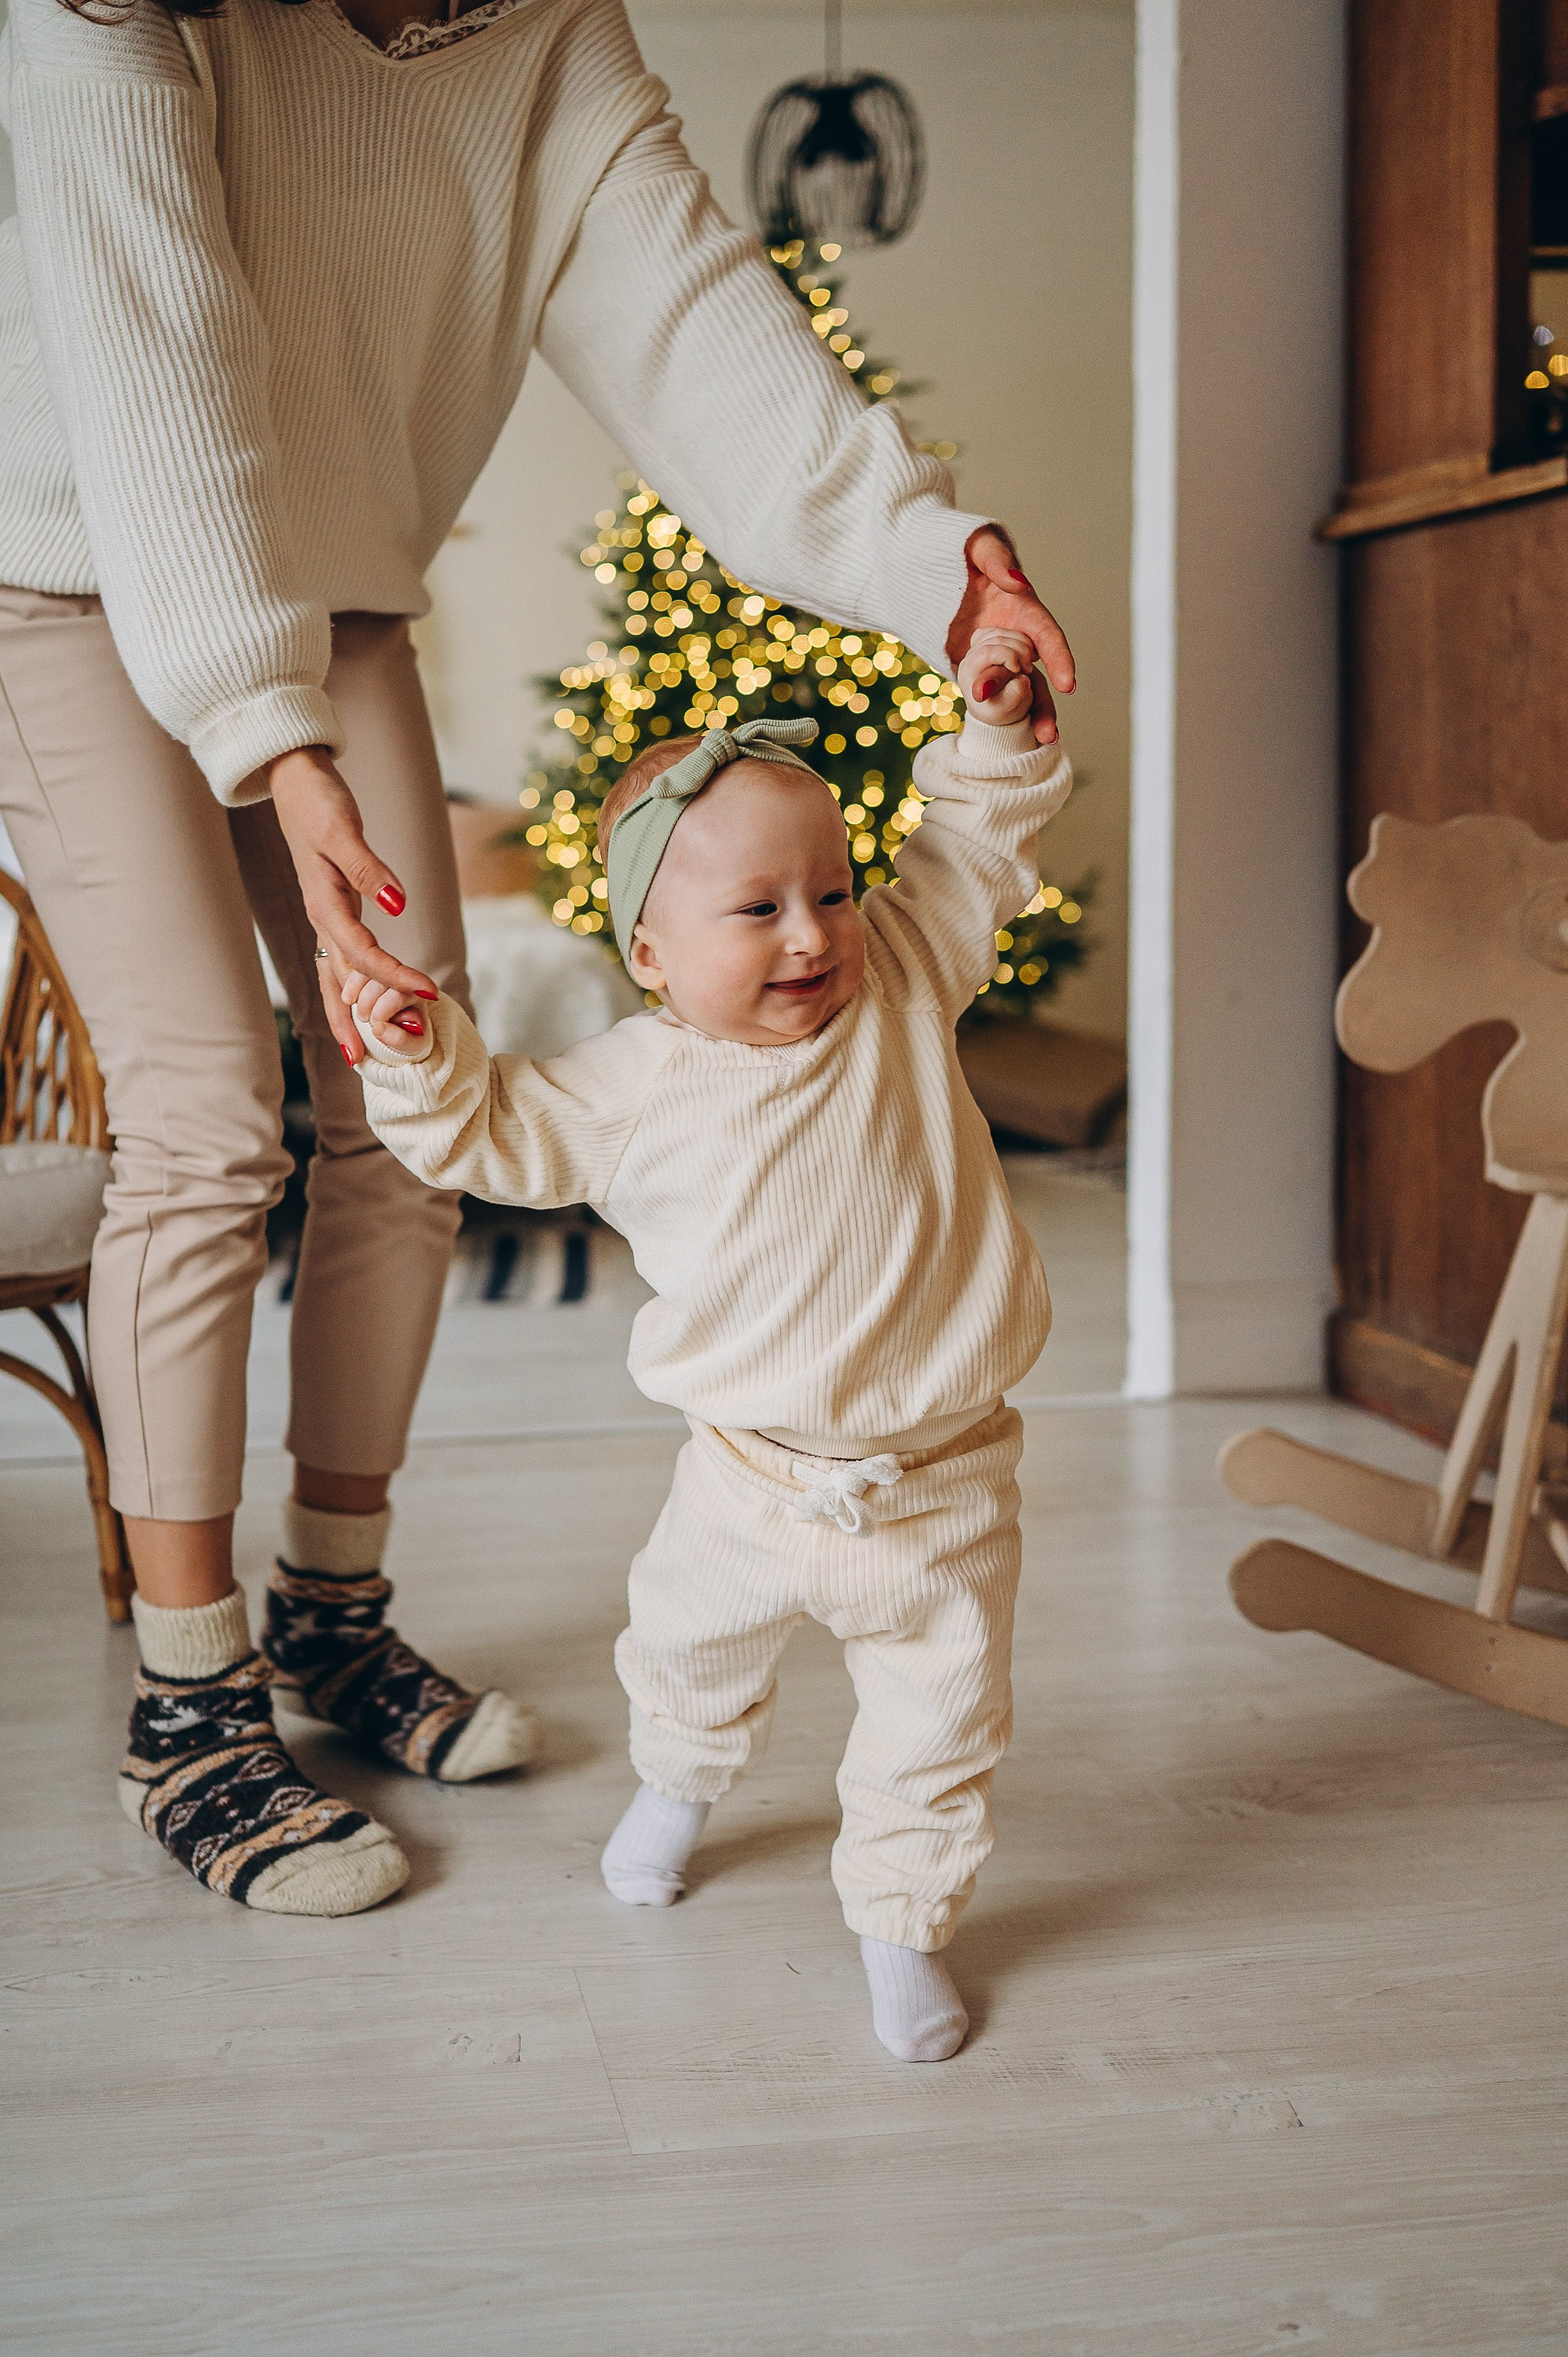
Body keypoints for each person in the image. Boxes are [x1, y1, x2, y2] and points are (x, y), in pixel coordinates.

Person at [0, 0, 1075, 1915]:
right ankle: (189, 1700)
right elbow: (145, 338)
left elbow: (696, 320)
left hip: (334, 572)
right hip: (56, 562)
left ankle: (332, 1613)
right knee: (206, 1112)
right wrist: (262, 733)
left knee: (411, 1092)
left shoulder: (544, 31)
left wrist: (936, 570)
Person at [343, 627, 1065, 2057]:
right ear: (652, 954)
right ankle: (675, 1787)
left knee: (939, 1730)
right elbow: (485, 1129)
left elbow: (972, 845)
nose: (813, 934)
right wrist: (419, 1056)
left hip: (941, 1481)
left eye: (834, 892)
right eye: (759, 909)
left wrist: (991, 736)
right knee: (685, 1650)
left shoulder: (905, 984)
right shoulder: (628, 1087)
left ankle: (902, 1929)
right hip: (744, 1476)